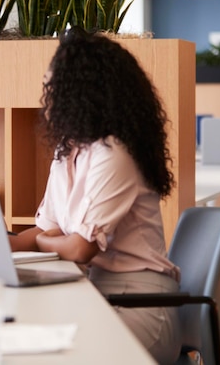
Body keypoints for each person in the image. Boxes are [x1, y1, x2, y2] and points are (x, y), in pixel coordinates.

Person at [9, 27, 182, 363]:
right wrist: (4, 243)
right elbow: (51, 227)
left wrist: (45, 242)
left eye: (53, 85)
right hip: (96, 294)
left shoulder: (114, 153)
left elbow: (79, 248)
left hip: (141, 306)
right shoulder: (68, 149)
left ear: (82, 91)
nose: (46, 94)